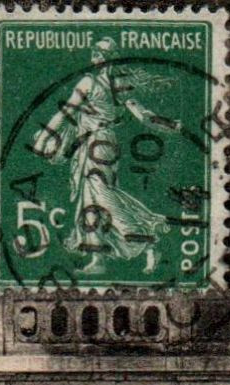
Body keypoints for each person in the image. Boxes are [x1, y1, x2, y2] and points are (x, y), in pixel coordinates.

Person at [29, 36, 178, 275]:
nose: (95, 57)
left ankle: (147, 239)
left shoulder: (89, 82)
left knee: (101, 195)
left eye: (98, 53)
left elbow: (66, 112)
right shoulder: (118, 83)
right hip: (105, 142)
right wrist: (168, 124)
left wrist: (43, 137)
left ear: (103, 58)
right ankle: (98, 259)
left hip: (95, 143)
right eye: (95, 52)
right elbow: (142, 115)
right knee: (92, 199)